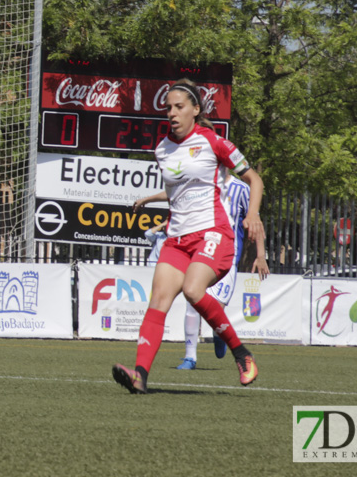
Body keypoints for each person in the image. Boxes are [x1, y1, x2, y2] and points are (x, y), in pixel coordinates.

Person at [112, 78, 265, 394]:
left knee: (193, 291)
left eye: (179, 107)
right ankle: (140, 376)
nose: (171, 113)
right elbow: (178, 195)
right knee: (158, 301)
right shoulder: (162, 149)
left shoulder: (215, 142)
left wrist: (252, 214)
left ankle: (242, 354)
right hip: (177, 239)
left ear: (195, 110)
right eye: (168, 108)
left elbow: (255, 179)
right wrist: (152, 203)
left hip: (213, 233)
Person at [137, 176, 270, 371]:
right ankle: (190, 357)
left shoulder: (241, 189)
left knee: (215, 307)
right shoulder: (201, 181)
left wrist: (260, 255)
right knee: (192, 297)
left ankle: (220, 334)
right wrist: (148, 199)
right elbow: (175, 193)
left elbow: (255, 220)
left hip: (227, 255)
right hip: (201, 250)